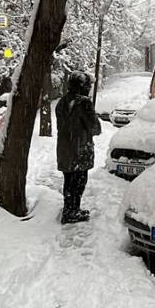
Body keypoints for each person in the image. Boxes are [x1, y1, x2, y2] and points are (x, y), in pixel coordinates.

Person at [55, 70, 101, 224]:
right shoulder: (84, 103)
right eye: (88, 85)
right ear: (83, 86)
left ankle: (70, 209)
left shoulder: (61, 102)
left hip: (65, 150)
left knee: (69, 181)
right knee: (79, 181)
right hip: (80, 149)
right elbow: (95, 128)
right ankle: (72, 211)